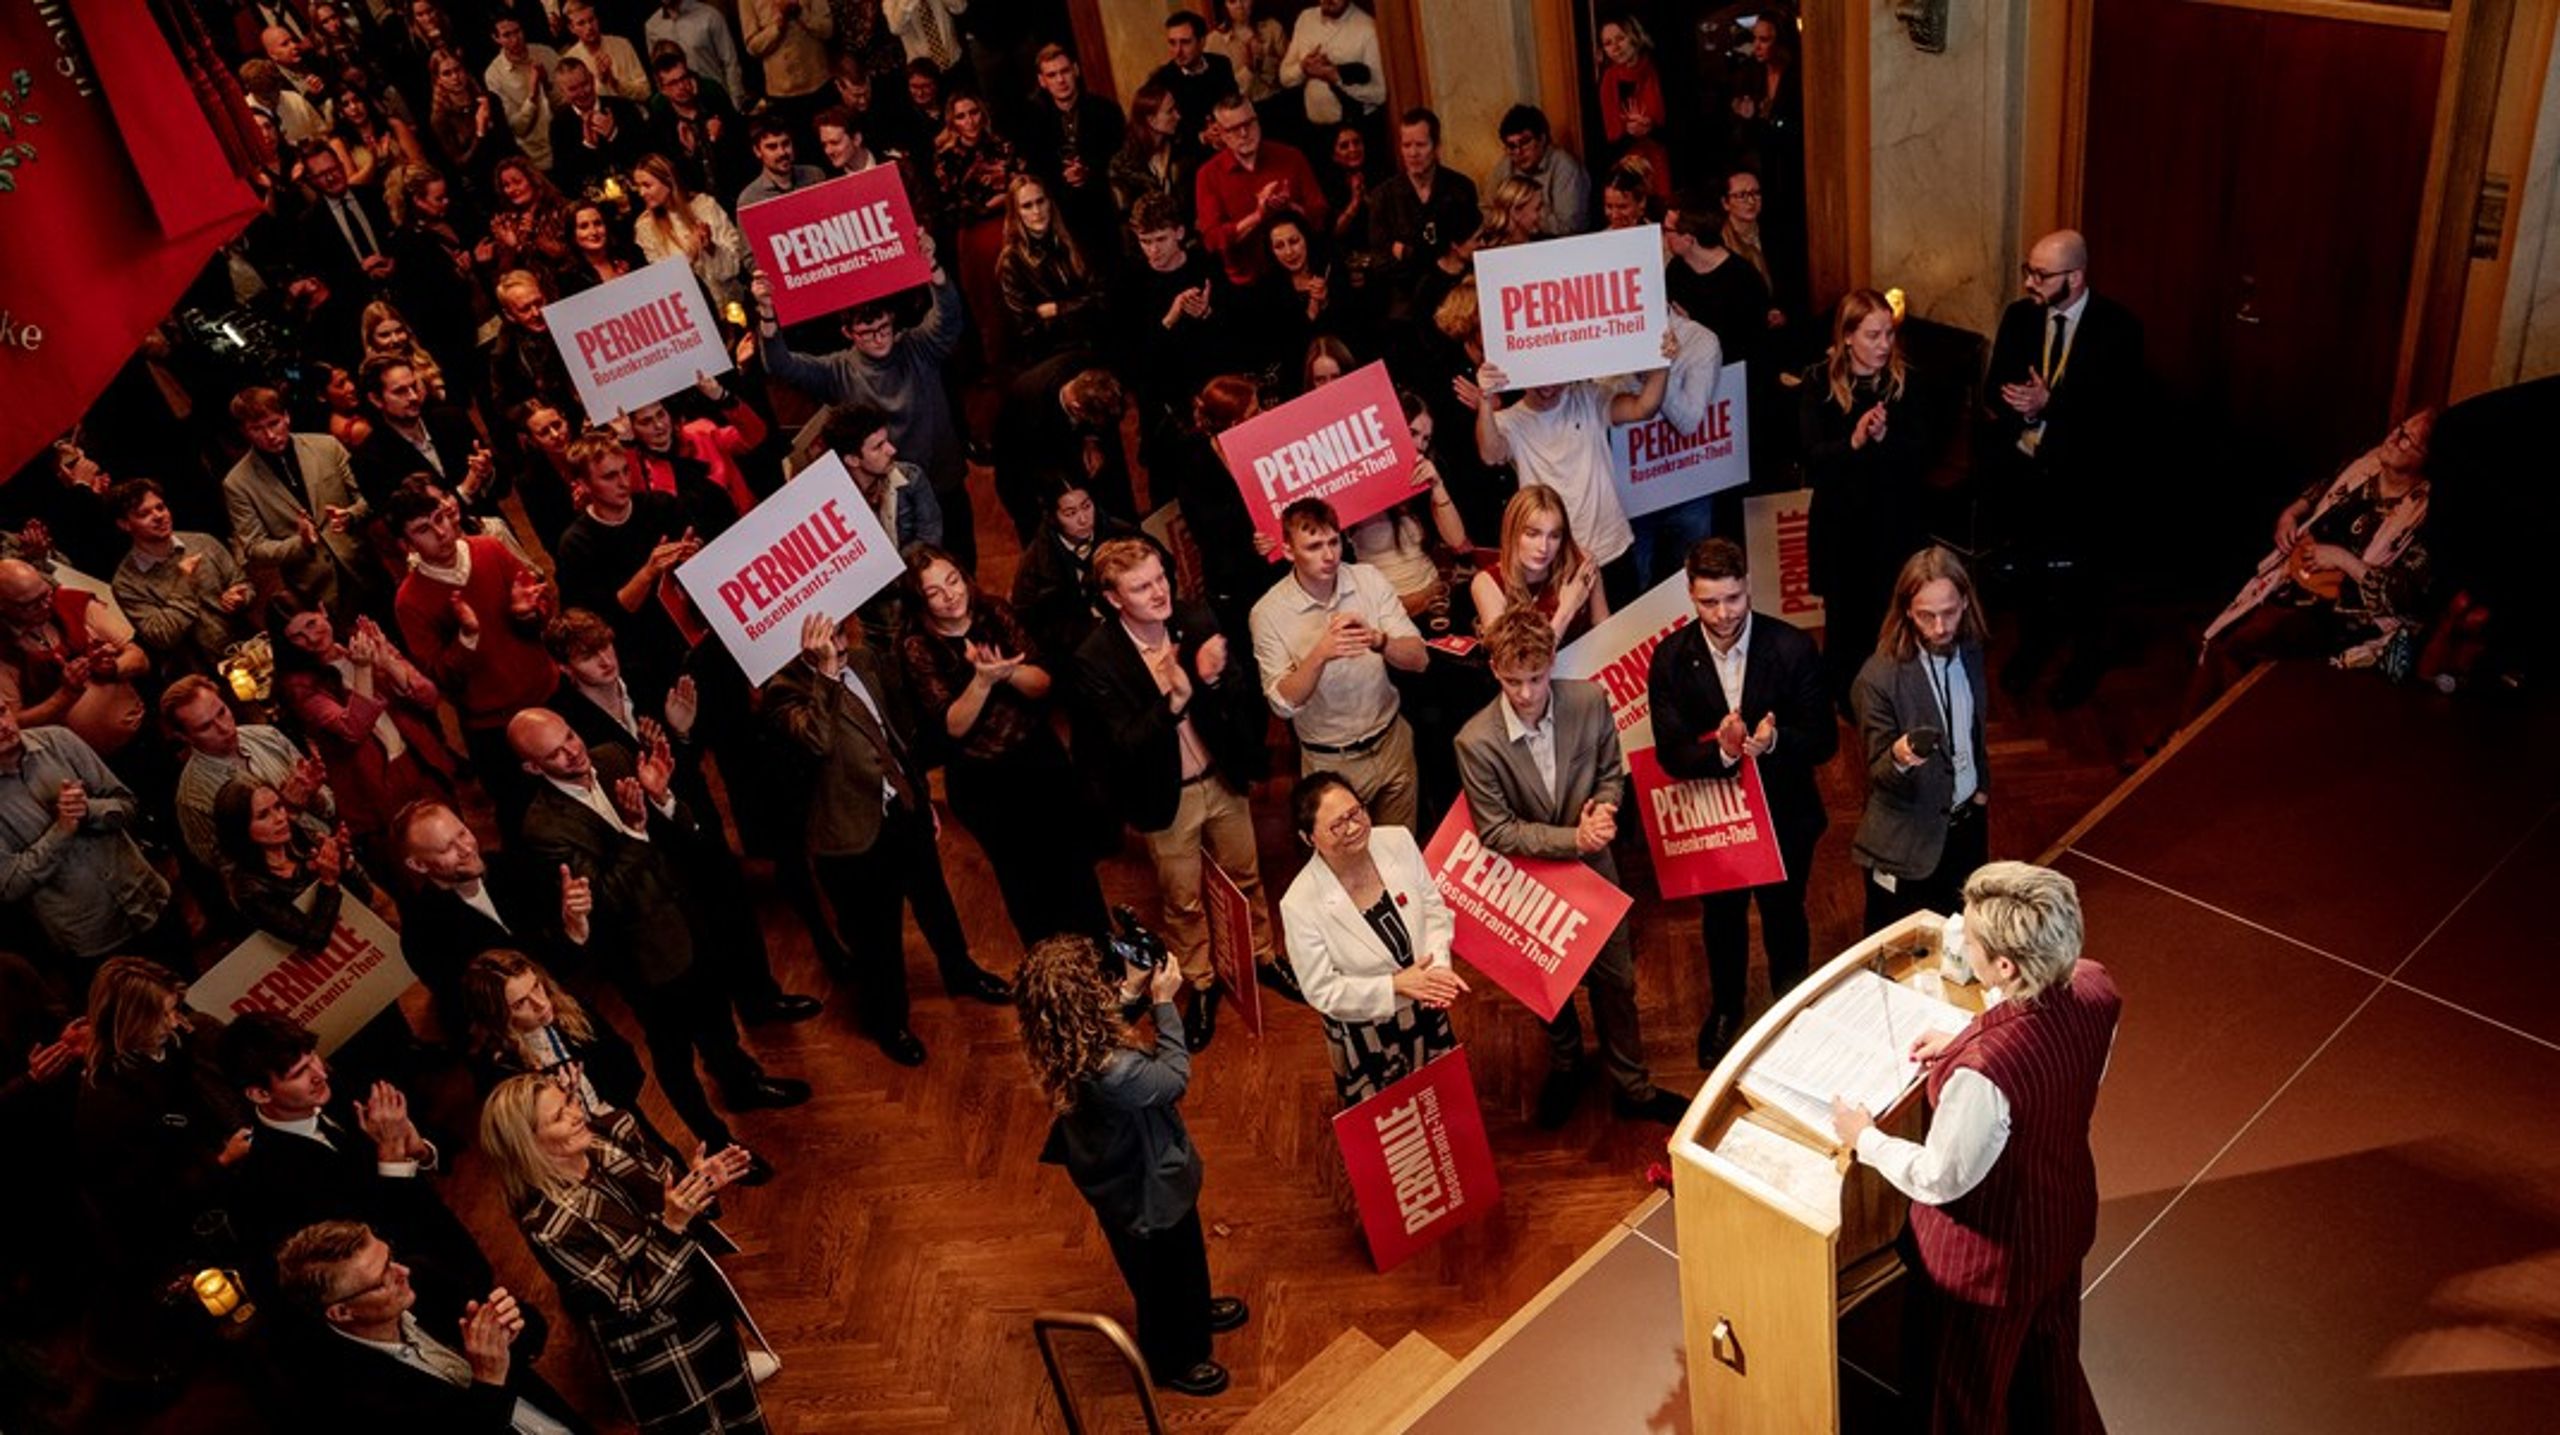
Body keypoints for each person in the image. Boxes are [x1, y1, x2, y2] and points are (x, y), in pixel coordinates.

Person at [1829, 861, 2119, 1435]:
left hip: (1987, 1268)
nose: (1962, 932)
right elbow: (2063, 1072)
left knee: (1961, 1400)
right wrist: (1965, 1037)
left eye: (1973, 934)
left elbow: (1941, 1176)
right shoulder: (2094, 984)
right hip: (2061, 1220)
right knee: (2050, 1369)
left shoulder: (1986, 1074)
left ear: (2005, 966)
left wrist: (1866, 1138)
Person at [508, 708, 811, 1167]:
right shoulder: (544, 828)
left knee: (717, 1018)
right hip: (644, 958)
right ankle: (717, 1142)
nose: (574, 752)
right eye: (555, 753)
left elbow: (682, 835)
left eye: (571, 736)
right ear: (533, 767)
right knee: (675, 1057)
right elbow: (604, 899)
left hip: (691, 921)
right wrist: (633, 830)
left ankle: (741, 1084)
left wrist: (664, 798)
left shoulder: (611, 756)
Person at [1455, 608, 1685, 1127]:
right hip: (1524, 882)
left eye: (1536, 678)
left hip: (1596, 870)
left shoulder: (1589, 699)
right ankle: (1566, 1064)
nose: (1526, 693)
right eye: (1512, 681)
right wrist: (1573, 839)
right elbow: (1495, 831)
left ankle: (1633, 1086)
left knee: (1617, 983)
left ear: (1551, 662)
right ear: (1494, 671)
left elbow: (1609, 773)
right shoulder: (1475, 741)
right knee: (1546, 987)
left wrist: (1604, 808)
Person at [762, 607, 1011, 1069]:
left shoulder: (865, 659)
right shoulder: (783, 693)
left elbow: (894, 735)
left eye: (836, 623)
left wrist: (917, 795)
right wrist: (826, 674)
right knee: (876, 941)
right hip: (850, 837)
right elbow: (817, 741)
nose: (835, 633)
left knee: (936, 902)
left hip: (903, 810)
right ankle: (888, 1022)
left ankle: (960, 971)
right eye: (821, 630)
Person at [1070, 539, 1283, 1051]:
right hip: (1165, 798)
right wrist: (1174, 701)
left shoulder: (1194, 618)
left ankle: (1262, 957)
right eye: (1141, 587)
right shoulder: (1095, 659)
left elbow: (1238, 690)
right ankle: (1202, 982)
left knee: (1247, 875)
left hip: (1220, 777)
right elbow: (1121, 743)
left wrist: (1210, 682)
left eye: (1160, 578)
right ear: (1114, 597)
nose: (1159, 592)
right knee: (1183, 900)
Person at [1019, 933, 1248, 1398]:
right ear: (1086, 1001)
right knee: (1159, 1279)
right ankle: (1172, 1359)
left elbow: (1102, 1027)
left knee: (1181, 1258)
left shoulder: (1065, 1040)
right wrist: (1164, 1004)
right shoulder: (1115, 1070)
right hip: (1143, 1187)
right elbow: (1173, 1077)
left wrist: (1132, 990)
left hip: (1120, 1172)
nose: (1106, 987)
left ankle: (1196, 1310)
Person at [478, 1073, 775, 1432]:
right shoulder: (550, 1225)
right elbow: (632, 1300)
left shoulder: (613, 1135)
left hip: (705, 1312)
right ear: (528, 1145)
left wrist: (697, 1185)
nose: (575, 1114)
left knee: (746, 1420)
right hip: (665, 1351)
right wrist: (673, 1223)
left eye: (569, 1101)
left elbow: (671, 1201)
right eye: (558, 1117)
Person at [1646, 538, 1834, 1063]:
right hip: (1714, 818)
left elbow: (1825, 741)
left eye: (1732, 598)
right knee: (1721, 918)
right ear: (1690, 594)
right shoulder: (1670, 658)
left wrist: (1773, 743)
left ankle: (1791, 1010)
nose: (1723, 613)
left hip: (1786, 813)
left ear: (1748, 586)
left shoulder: (1793, 647)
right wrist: (1724, 755)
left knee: (1785, 914)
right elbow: (1670, 753)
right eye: (1709, 602)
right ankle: (1727, 1008)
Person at [897, 547, 1109, 946]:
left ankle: (1105, 960)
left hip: (1038, 758)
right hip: (985, 781)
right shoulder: (917, 647)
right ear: (920, 602)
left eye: (953, 581)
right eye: (935, 593)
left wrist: (1008, 672)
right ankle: (1055, 981)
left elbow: (1043, 683)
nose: (951, 595)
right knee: (1026, 883)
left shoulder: (993, 611)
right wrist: (981, 681)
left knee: (1074, 865)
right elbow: (953, 726)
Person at [1982, 228, 2144, 708]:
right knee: (2029, 566)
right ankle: (2033, 647)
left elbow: (2120, 412)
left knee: (2089, 577)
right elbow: (1995, 390)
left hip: (2087, 476)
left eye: (2041, 274)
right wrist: (2026, 410)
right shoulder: (2019, 318)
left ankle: (2085, 661)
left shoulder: (2120, 329)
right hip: (2028, 468)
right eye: (2028, 271)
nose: (2031, 282)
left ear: (2075, 277)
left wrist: (2051, 404)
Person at [2187, 410, 2437, 720]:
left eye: (2407, 439)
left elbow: (2402, 594)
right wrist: (2290, 515)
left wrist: (2341, 559)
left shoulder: (2424, 514)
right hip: (2294, 579)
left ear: (2426, 458)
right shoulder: (2367, 464)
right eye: (2399, 428)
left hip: (2344, 612)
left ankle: (2203, 738)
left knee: (2247, 641)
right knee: (2226, 632)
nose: (2394, 438)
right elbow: (2321, 488)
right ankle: (2183, 736)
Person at [752, 242, 973, 567]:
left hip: (943, 478)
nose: (879, 338)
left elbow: (949, 318)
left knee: (963, 561)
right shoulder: (837, 370)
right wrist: (768, 314)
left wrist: (934, 269)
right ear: (848, 333)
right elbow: (781, 366)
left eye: (884, 327)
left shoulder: (916, 346)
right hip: (889, 497)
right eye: (867, 332)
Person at [272, 1219, 591, 1434]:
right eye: (383, 1277)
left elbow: (532, 1332)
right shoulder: (342, 1396)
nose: (402, 1271)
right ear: (341, 1312)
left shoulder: (423, 1279)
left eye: (390, 1256)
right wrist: (489, 1377)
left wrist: (513, 1327)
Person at [1278, 772, 1464, 1105]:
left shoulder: (1397, 840)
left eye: (1356, 813)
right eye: (1337, 825)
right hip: (1370, 1029)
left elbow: (1434, 909)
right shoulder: (1299, 904)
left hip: (1426, 1002)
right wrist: (1394, 985)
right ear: (1308, 838)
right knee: (1390, 1119)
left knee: (1439, 1104)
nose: (1353, 828)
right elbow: (1323, 991)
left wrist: (1437, 967)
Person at [386, 477, 560, 815]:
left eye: (440, 518)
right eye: (423, 529)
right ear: (405, 545)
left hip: (547, 691)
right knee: (528, 814)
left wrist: (527, 613)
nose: (440, 533)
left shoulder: (489, 549)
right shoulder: (409, 600)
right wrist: (466, 637)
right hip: (494, 726)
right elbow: (442, 679)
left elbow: (542, 614)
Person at [1250, 498, 1427, 828]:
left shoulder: (1368, 580)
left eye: (1333, 541)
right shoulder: (1268, 613)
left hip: (1392, 742)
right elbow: (1282, 704)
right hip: (1330, 762)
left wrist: (1378, 640)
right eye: (1314, 546)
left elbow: (1419, 659)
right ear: (1288, 552)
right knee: (1347, 862)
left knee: (1401, 851)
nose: (1330, 556)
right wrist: (1320, 654)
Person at [1472, 328, 1679, 607]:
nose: (1547, 387)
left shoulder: (1588, 397)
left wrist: (1661, 364)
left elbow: (1643, 408)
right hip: (1557, 562)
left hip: (1612, 548)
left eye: (1556, 378)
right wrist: (1485, 400)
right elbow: (1489, 453)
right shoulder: (1510, 420)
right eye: (1537, 379)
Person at [1854, 546, 1992, 933]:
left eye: (1948, 612)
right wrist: (1899, 757)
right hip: (1908, 843)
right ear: (1907, 612)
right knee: (1901, 954)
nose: (1939, 627)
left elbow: (1976, 729)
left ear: (1965, 600)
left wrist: (1980, 788)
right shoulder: (1878, 679)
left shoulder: (1971, 649)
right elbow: (1879, 775)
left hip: (1966, 828)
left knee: (1965, 946)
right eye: (1925, 615)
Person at [1803, 288, 1929, 705]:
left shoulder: (1904, 380)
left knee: (1890, 611)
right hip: (1841, 525)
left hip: (1893, 521)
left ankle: (1891, 691)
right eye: (1873, 335)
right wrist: (1854, 441)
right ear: (1848, 336)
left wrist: (1887, 437)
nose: (1884, 345)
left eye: (1889, 335)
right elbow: (1811, 460)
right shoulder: (1819, 381)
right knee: (1844, 618)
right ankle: (1845, 694)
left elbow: (1922, 456)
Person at [273, 598, 461, 856]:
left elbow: (428, 697)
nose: (312, 638)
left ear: (322, 610)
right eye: (298, 636)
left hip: (418, 759)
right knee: (419, 859)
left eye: (312, 623)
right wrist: (363, 670)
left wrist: (389, 665)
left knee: (456, 838)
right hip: (376, 784)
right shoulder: (299, 685)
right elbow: (353, 729)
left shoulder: (360, 640)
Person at [463, 947, 687, 1164]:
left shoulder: (571, 1008)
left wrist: (605, 1105)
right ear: (498, 1016)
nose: (541, 1003)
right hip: (576, 1160)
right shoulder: (500, 1070)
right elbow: (520, 1149)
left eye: (537, 986)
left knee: (671, 1167)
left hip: (625, 1124)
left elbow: (627, 1065)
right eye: (521, 1003)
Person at [0, 707, 177, 973]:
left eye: (1, 711)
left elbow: (128, 806)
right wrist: (61, 830)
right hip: (94, 942)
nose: (2, 725)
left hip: (147, 900)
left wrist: (88, 811)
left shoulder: (59, 741)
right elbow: (10, 885)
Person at [221, 385, 372, 619]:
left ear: (286, 417)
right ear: (245, 432)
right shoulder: (237, 483)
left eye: (274, 423)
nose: (270, 435)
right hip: (315, 589)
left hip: (364, 562)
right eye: (257, 429)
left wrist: (350, 515)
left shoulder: (327, 447)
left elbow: (368, 496)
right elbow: (254, 548)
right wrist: (299, 543)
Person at [107, 478, 259, 680]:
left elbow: (244, 584)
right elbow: (162, 635)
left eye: (160, 507)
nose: (158, 516)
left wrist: (240, 597)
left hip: (250, 653)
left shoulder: (203, 542)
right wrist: (184, 581)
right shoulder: (126, 583)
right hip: (202, 678)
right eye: (144, 514)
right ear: (125, 524)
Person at [1194, 91, 1329, 287]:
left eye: (1249, 123)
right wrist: (1258, 216)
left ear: (1258, 120)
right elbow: (1213, 241)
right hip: (1248, 282)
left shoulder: (1291, 157)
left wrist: (1290, 207)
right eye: (1233, 129)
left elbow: (1320, 217)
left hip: (1299, 279)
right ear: (1221, 134)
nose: (1244, 134)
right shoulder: (1208, 175)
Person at [1012, 476, 1146, 665]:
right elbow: (1030, 621)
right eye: (1070, 513)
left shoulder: (1120, 534)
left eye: (1087, 506)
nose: (1083, 519)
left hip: (1132, 622)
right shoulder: (1036, 562)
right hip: (1074, 649)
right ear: (1052, 517)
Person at [933, 93, 1025, 366]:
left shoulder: (1003, 145)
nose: (969, 120)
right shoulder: (946, 158)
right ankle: (1002, 368)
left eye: (973, 112)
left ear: (982, 114)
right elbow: (950, 206)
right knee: (988, 304)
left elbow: (1023, 180)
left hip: (1013, 224)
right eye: (961, 116)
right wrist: (993, 202)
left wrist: (1007, 199)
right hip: (973, 234)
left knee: (1021, 291)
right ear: (952, 122)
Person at [353, 355, 501, 512]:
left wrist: (488, 472)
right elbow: (404, 523)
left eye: (414, 387)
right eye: (400, 391)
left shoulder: (451, 419)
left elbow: (503, 486)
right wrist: (464, 491)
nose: (413, 396)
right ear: (376, 399)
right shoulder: (369, 461)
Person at [1017, 45, 1124, 256]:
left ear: (1076, 70)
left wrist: (1088, 170)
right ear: (1042, 81)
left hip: (1105, 207)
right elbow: (1033, 169)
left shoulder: (1106, 111)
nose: (1060, 80)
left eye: (1065, 71)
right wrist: (1062, 176)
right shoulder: (1032, 121)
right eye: (1052, 75)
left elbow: (1120, 158)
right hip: (1058, 214)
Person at [1471, 483, 1606, 643]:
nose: (1543, 547)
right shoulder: (1487, 584)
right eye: (1532, 534)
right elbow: (1517, 666)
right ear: (1512, 532)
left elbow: (1603, 627)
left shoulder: (1580, 564)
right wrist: (1566, 611)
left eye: (1554, 536)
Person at [1367, 108, 1478, 301]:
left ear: (1436, 147)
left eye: (1420, 144)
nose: (1413, 153)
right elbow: (1380, 262)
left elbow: (1469, 250)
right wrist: (1434, 259)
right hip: (1404, 302)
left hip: (1456, 297)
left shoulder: (1461, 188)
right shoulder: (1383, 196)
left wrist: (1408, 253)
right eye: (1406, 145)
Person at [995, 174, 1105, 360]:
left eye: (1040, 201)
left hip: (1094, 340)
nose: (1037, 211)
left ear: (1050, 203)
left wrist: (1057, 309)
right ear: (1016, 213)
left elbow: (1102, 299)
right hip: (1051, 356)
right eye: (1027, 206)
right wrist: (1081, 307)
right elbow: (1028, 331)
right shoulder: (1011, 261)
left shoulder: (1073, 240)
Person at [1280, 0, 1386, 143]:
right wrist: (1303, 69)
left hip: (1355, 132)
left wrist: (1335, 78)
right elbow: (1284, 77)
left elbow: (1379, 94)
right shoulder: (1306, 19)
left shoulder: (1367, 29)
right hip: (1315, 130)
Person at [1146, 10, 1238, 161]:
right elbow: (1162, 134)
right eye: (1172, 43)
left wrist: (1221, 127)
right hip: (1190, 157)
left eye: (1185, 42)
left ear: (1202, 42)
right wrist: (1202, 136)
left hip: (1229, 141)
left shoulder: (1221, 64)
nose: (1177, 51)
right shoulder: (1161, 80)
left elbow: (1233, 102)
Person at [1485, 104, 1589, 237]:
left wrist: (1524, 217)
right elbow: (1487, 211)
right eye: (1511, 146)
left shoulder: (1565, 167)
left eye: (1525, 142)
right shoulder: (1506, 165)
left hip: (1560, 244)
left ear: (1542, 139)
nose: (1518, 152)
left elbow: (1570, 226)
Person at [1596, 16, 1670, 196]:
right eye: (1608, 43)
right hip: (1625, 171)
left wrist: (1650, 129)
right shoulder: (1606, 83)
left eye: (1621, 39)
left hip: (1666, 163)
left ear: (1635, 37)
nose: (1615, 48)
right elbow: (1603, 141)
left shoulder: (1660, 71)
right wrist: (1630, 133)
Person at [482, 14, 561, 175]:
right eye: (507, 35)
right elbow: (517, 127)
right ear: (496, 38)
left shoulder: (546, 53)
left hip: (565, 140)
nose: (515, 39)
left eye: (517, 31)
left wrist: (547, 85)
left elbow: (567, 102)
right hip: (535, 155)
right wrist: (532, 94)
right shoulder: (494, 74)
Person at [739, 0, 835, 126]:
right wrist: (779, 25)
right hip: (781, 93)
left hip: (819, 84)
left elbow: (828, 29)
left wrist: (801, 14)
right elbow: (752, 47)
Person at [1110, 83, 1190, 218]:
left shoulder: (1183, 151)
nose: (1178, 116)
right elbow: (1126, 218)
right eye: (1170, 111)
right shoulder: (1124, 166)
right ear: (1151, 120)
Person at [648, 0, 747, 104]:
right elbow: (657, 74)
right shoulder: (652, 27)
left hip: (714, 98)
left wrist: (736, 101)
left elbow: (730, 61)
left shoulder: (710, 15)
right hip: (679, 108)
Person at [734, 113, 830, 209]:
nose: (782, 152)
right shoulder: (750, 199)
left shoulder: (815, 176)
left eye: (786, 143)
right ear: (757, 151)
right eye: (772, 147)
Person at [563, 0, 649, 103]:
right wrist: (601, 82)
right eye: (581, 23)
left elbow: (646, 92)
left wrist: (614, 83)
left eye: (591, 20)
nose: (589, 27)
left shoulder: (622, 45)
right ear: (572, 28)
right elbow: (573, 102)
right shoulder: (569, 60)